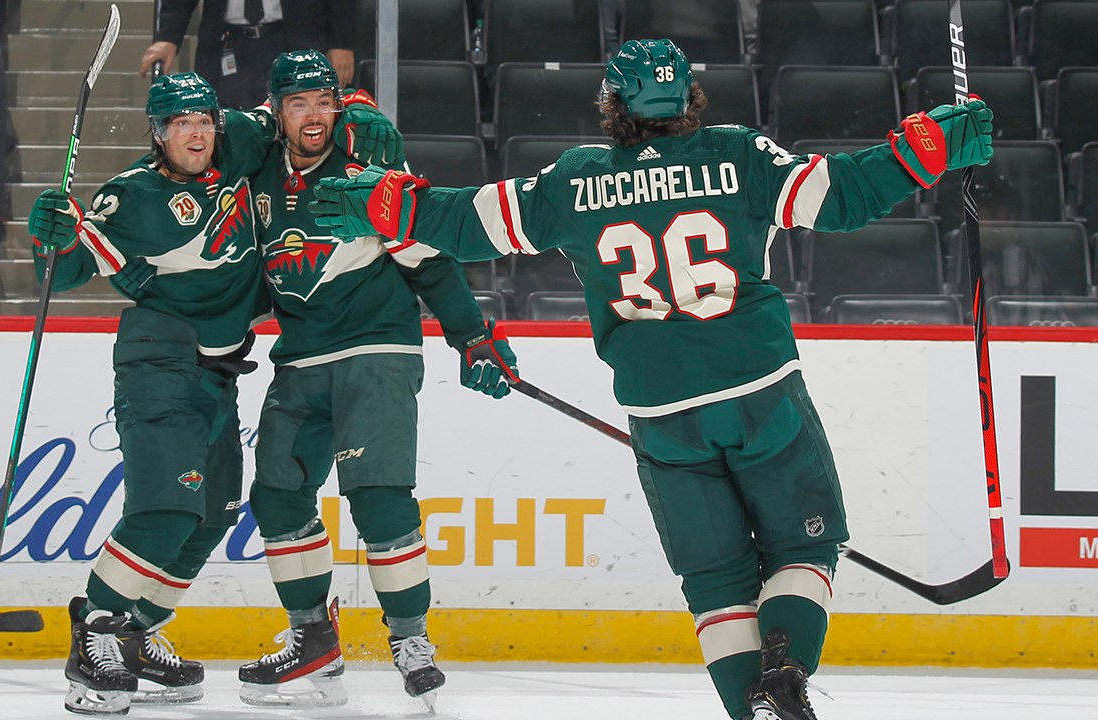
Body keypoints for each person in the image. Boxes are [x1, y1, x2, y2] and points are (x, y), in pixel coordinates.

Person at [309, 39, 994, 720]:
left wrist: (386, 205)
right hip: (759, 392)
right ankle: (785, 671)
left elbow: (467, 224)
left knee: (715, 581)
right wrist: (929, 148)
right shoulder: (738, 155)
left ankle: (754, 711)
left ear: (613, 104)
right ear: (688, 96)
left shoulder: (576, 180)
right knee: (805, 546)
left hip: (662, 414)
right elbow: (842, 197)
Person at [25, 71, 400, 715]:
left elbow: (301, 111)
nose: (196, 134)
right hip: (160, 362)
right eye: (181, 125)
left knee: (215, 512)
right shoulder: (133, 196)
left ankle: (135, 633)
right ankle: (95, 637)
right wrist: (49, 237)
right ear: (158, 133)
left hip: (217, 374)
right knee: (167, 510)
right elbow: (67, 267)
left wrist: (360, 111)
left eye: (204, 121)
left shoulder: (244, 139)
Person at [234, 49, 518, 710]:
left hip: (377, 347)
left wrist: (471, 335)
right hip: (301, 356)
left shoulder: (368, 174)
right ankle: (312, 636)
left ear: (339, 107)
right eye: (298, 103)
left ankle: (411, 641)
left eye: (323, 102)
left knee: (379, 497)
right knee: (276, 496)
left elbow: (429, 261)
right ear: (277, 111)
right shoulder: (256, 177)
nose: (313, 116)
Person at [140, 0, 356, 110]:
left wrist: (341, 43)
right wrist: (168, 37)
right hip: (226, 44)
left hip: (294, 39)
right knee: (226, 129)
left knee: (297, 119)